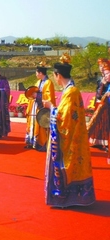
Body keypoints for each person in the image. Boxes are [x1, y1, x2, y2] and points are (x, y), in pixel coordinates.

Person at [42, 53, 95, 207]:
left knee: (67, 164)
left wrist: (51, 107)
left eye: (55, 75)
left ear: (58, 75)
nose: (55, 79)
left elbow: (63, 119)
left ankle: (65, 197)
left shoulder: (71, 92)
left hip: (71, 139)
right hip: (74, 136)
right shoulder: (70, 90)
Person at [24, 61, 56, 151]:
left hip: (42, 107)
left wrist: (37, 96)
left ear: (41, 73)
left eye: (37, 72)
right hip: (35, 105)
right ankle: (33, 142)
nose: (36, 74)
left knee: (41, 125)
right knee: (34, 123)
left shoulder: (48, 83)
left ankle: (42, 144)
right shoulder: (38, 82)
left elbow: (49, 97)